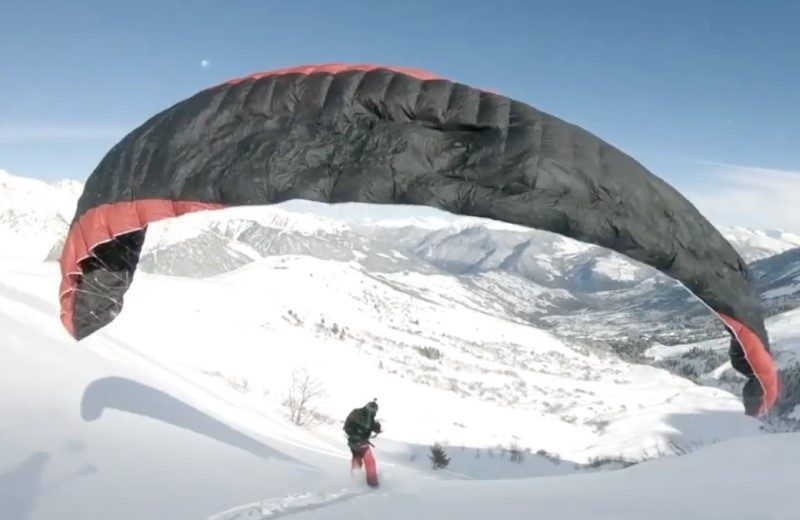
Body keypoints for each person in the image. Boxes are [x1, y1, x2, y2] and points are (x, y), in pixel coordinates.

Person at [343, 399, 382, 487]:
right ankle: (372, 481)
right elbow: (348, 426)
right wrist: (357, 433)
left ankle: (355, 479)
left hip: (356, 442)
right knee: (369, 460)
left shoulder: (368, 416)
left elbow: (369, 426)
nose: (373, 412)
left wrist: (376, 428)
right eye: (372, 410)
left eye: (374, 410)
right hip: (357, 441)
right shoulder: (358, 413)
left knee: (357, 458)